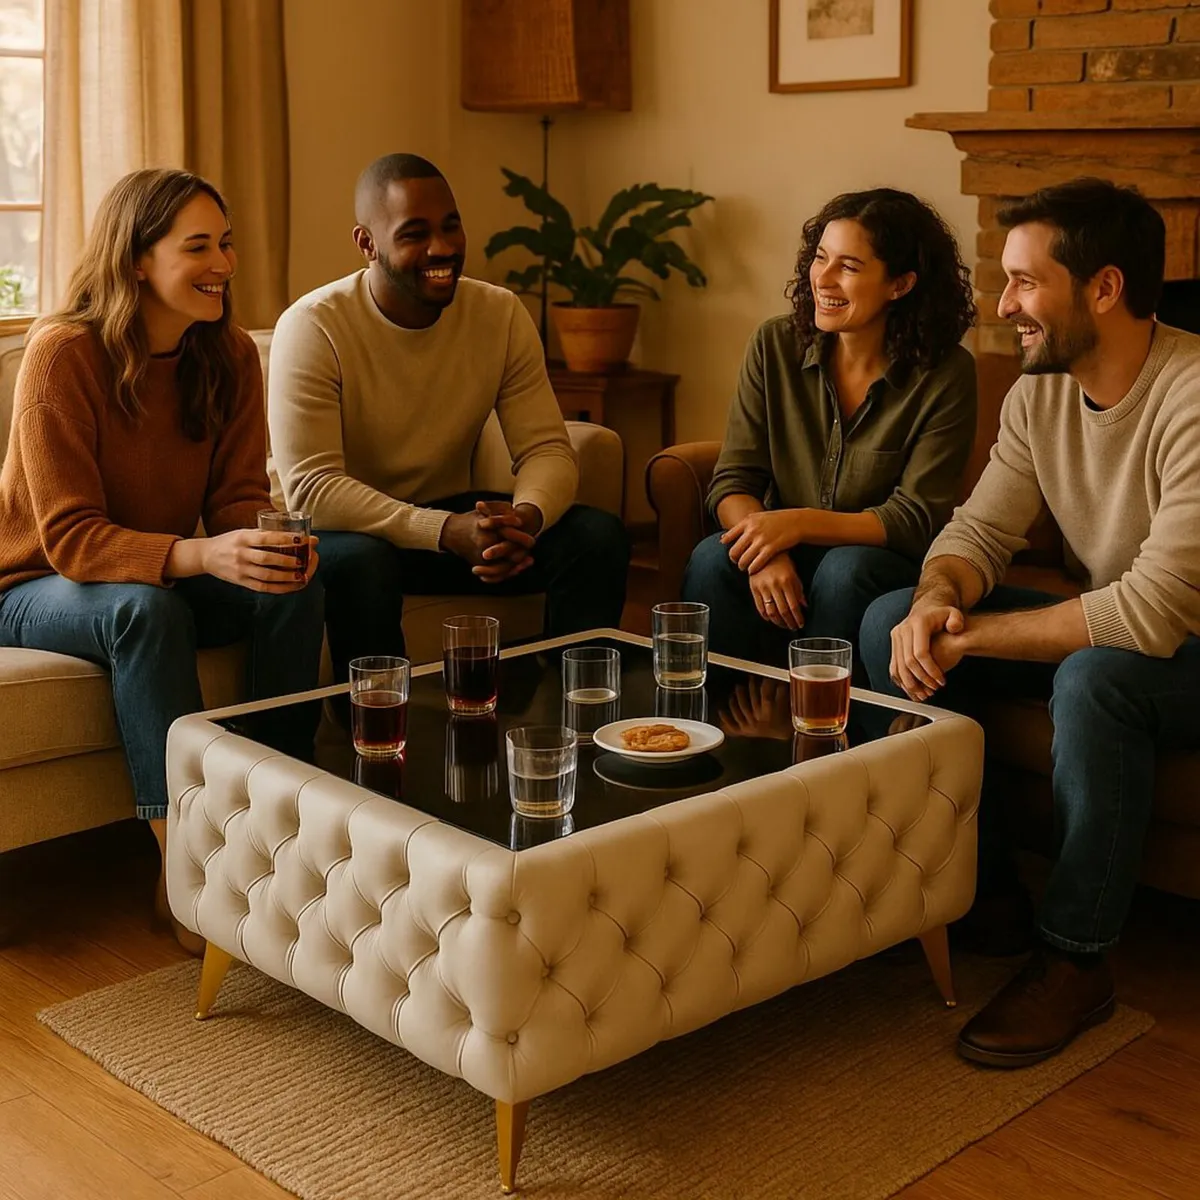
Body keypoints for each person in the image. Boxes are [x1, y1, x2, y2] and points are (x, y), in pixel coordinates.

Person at [860, 178, 1200, 1067]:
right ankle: (982, 894)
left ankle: (1076, 960)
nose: (1002, 304)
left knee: (1093, 680)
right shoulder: (1037, 394)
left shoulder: (1193, 394)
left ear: (1104, 288)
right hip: (1131, 630)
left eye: (1023, 282)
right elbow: (978, 532)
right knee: (887, 617)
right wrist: (936, 600)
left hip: (1187, 645)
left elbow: (1155, 609)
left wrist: (971, 636)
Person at [0, 169, 325, 949]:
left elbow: (239, 497)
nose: (224, 264)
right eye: (199, 247)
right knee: (144, 612)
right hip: (34, 582)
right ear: (138, 260)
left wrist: (269, 546)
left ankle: (278, 826)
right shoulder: (62, 354)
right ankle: (188, 866)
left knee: (291, 583)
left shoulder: (230, 356)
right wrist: (203, 553)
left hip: (156, 569)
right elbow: (71, 538)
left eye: (227, 243)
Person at [267, 153, 629, 680]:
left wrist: (524, 519)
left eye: (450, 226)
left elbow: (546, 449)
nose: (442, 248)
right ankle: (372, 721)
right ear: (367, 243)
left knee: (596, 537)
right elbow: (313, 490)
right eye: (414, 234)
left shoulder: (498, 313)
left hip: (444, 521)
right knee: (365, 562)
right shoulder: (313, 326)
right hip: (342, 533)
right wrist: (444, 530)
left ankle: (579, 708)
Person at [682, 188, 977, 666]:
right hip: (784, 546)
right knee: (713, 559)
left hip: (875, 560)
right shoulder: (774, 344)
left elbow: (913, 517)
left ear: (900, 284)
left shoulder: (947, 374)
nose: (823, 278)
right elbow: (734, 481)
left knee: (844, 569)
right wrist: (765, 550)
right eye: (820, 258)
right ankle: (721, 707)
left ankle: (817, 705)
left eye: (849, 266)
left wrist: (794, 523)